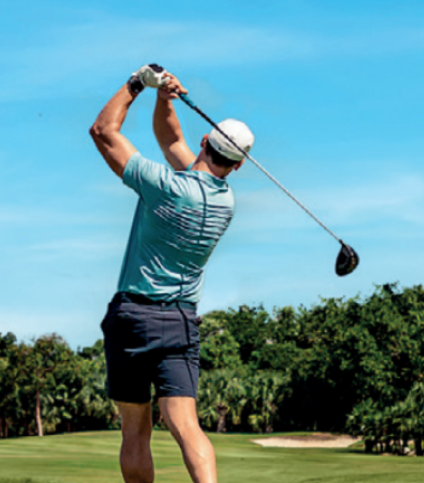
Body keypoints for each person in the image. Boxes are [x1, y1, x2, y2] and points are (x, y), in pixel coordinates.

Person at [89, 64, 254, 483]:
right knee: (186, 425)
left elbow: (103, 131)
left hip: (133, 317)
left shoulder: (165, 186)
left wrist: (138, 83)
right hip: (181, 320)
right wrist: (166, 99)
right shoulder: (225, 202)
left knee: (135, 431)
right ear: (237, 165)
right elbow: (172, 141)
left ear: (205, 141)